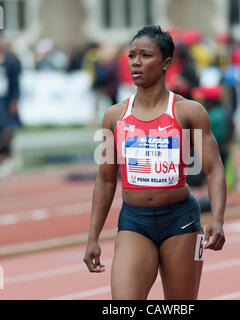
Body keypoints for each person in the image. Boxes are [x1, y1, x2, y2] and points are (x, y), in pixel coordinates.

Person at [83, 25, 226, 300]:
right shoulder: (114, 117)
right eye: (131, 55)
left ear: (166, 63)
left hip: (180, 222)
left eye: (145, 55)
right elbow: (105, 179)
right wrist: (93, 237)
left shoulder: (189, 112)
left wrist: (217, 220)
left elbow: (214, 168)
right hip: (135, 222)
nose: (135, 62)